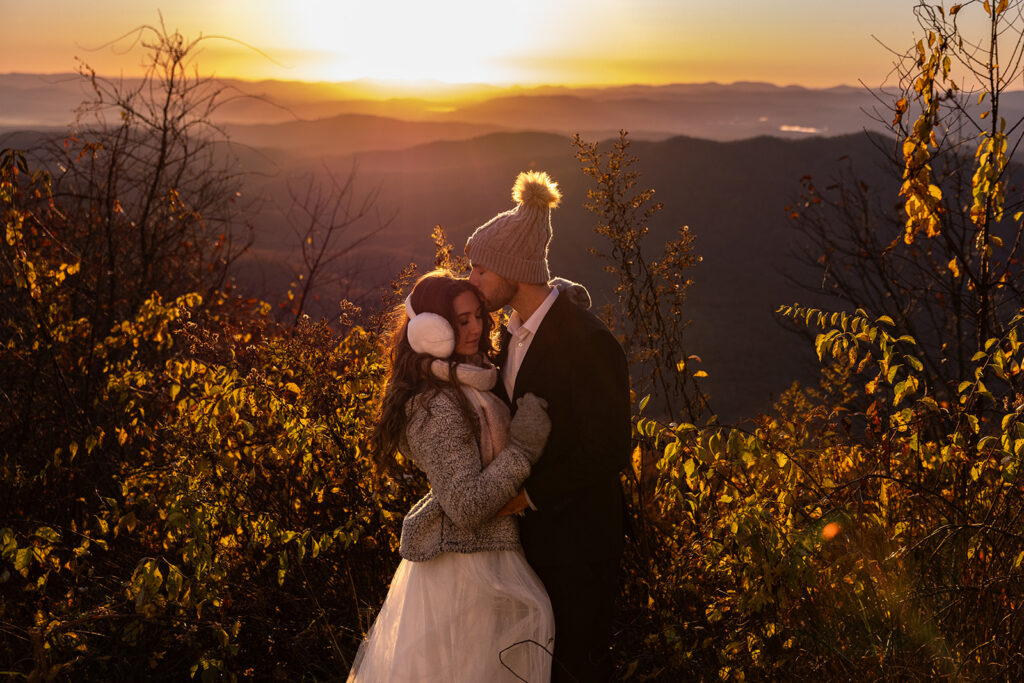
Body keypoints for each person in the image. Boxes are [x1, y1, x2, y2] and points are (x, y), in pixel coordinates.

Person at [347, 270, 555, 682]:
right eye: (462, 321)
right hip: (462, 576)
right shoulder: (434, 406)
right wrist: (523, 450)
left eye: (478, 316)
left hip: (490, 562)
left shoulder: (474, 382)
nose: (476, 328)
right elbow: (465, 505)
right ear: (431, 331)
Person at [465, 171, 632, 681]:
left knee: (576, 666)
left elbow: (608, 450)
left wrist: (528, 495)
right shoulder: (510, 336)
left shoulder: (587, 340)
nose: (471, 282)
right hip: (532, 545)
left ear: (512, 269)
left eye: (479, 271)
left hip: (580, 544)